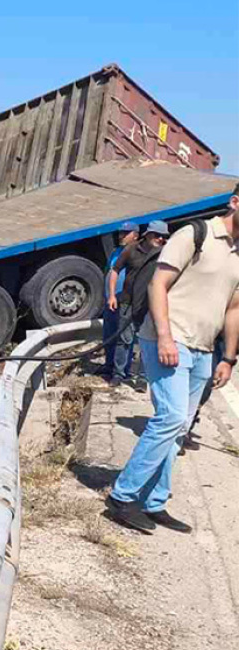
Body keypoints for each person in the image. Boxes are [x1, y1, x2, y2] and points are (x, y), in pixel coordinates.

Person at [106, 187, 239, 534]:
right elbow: (158, 285)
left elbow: (234, 307)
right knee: (171, 417)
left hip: (204, 349)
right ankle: (122, 496)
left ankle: (155, 502)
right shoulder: (196, 234)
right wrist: (164, 335)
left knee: (180, 426)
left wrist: (228, 357)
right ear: (235, 203)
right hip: (169, 339)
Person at [105, 222, 169, 388]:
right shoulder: (131, 249)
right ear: (147, 235)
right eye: (157, 235)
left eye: (164, 237)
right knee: (124, 340)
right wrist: (112, 295)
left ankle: (143, 378)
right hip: (128, 302)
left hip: (152, 305)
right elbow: (115, 270)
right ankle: (119, 374)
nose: (161, 239)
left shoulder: (166, 253)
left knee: (147, 342)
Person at [102, 222, 140, 383]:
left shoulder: (137, 254)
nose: (121, 236)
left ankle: (121, 372)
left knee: (124, 338)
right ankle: (109, 366)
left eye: (126, 233)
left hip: (125, 302)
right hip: (111, 302)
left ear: (136, 235)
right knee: (108, 335)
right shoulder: (116, 253)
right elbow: (110, 272)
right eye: (120, 234)